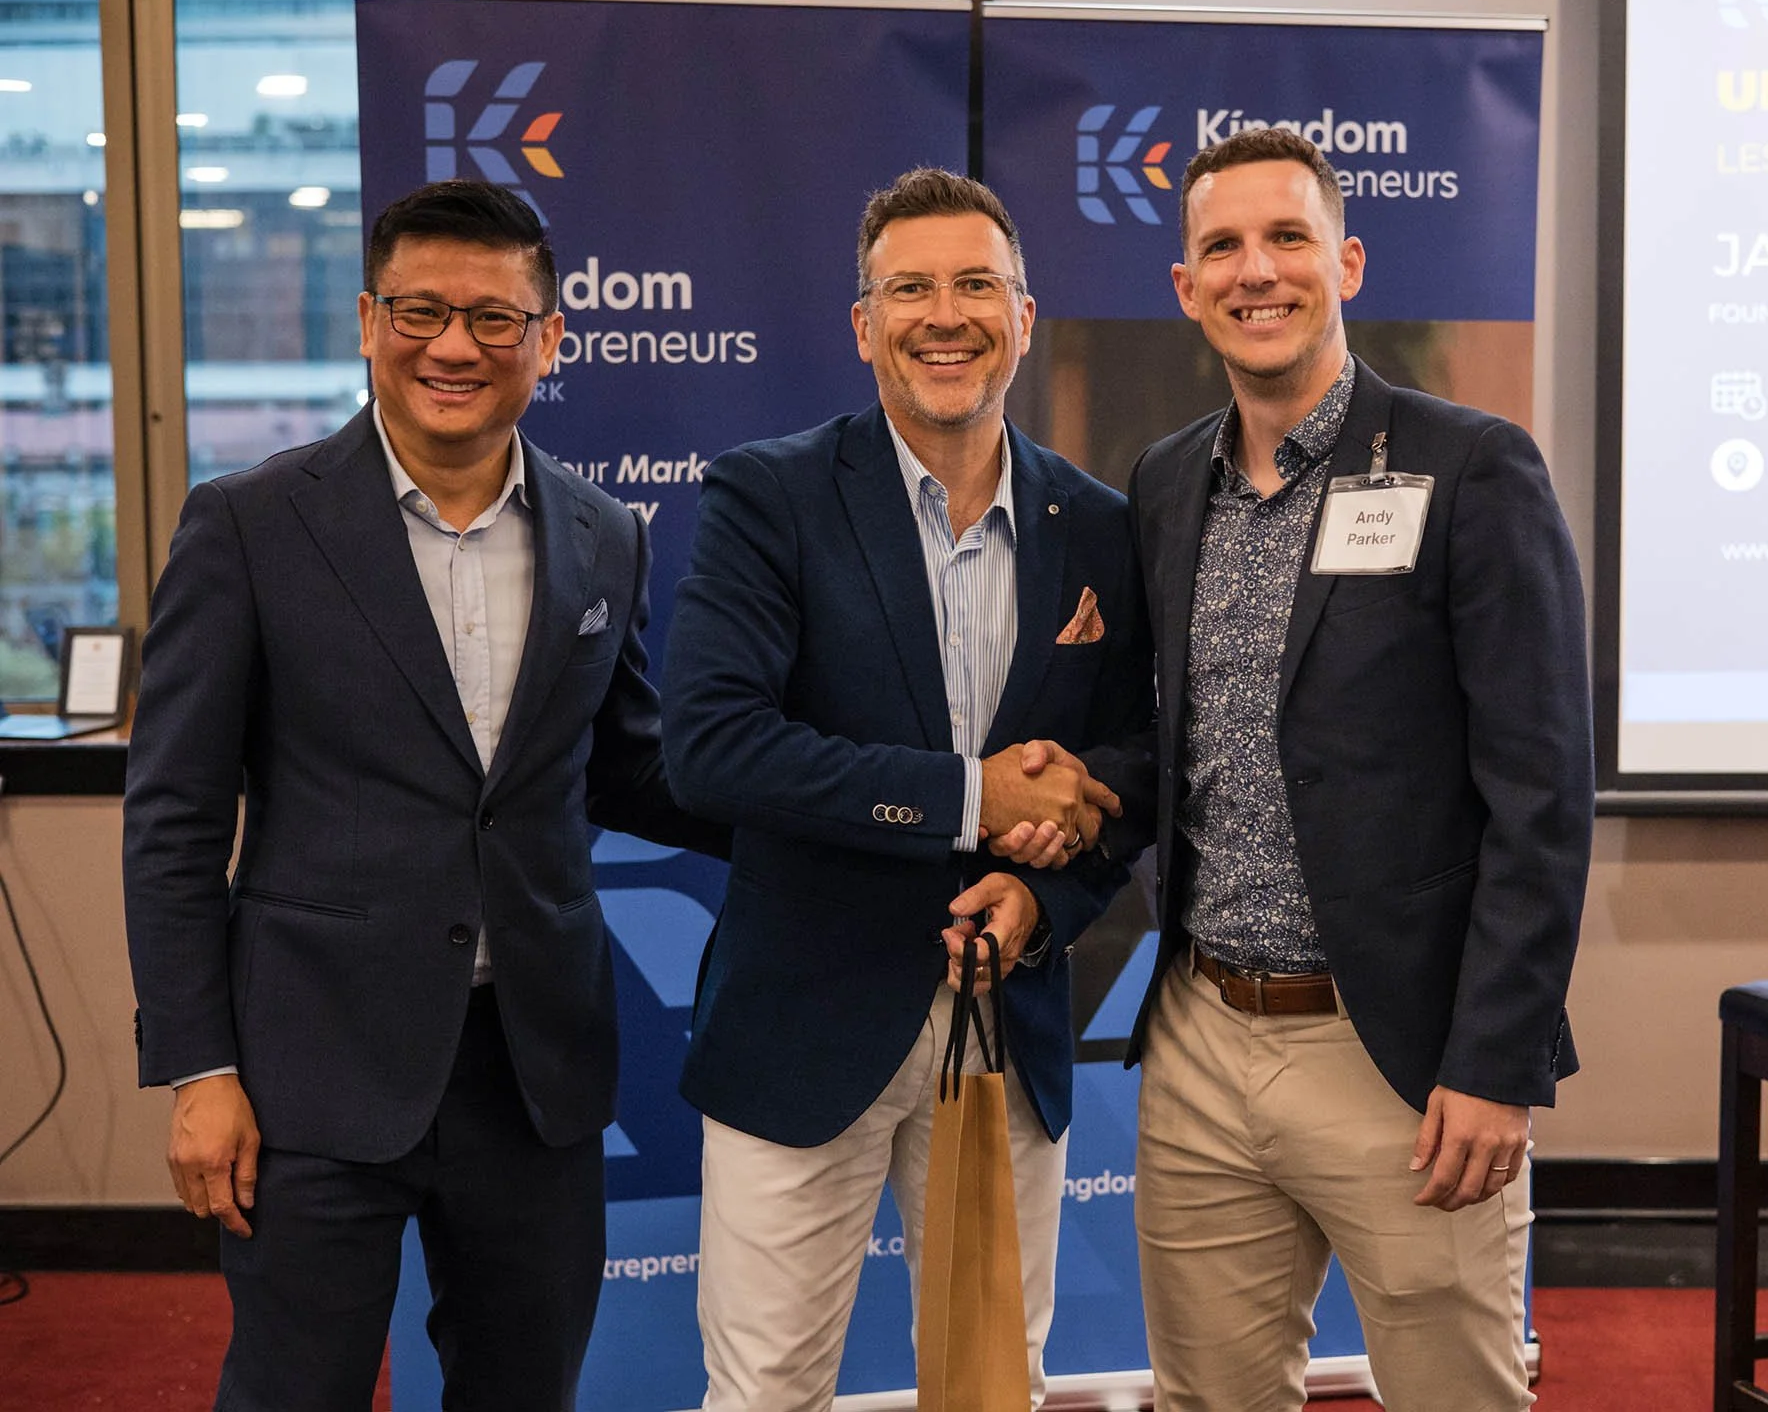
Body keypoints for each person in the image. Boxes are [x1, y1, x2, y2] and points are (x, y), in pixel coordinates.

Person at [122, 179, 727, 1412]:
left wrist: (833, 796)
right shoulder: (246, 525)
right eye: (422, 311)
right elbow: (174, 818)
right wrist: (198, 1069)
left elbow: (630, 767)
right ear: (366, 319)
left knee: (524, 1389)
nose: (455, 345)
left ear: (548, 340)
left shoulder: (606, 532)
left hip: (534, 1074)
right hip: (308, 1074)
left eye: (495, 318)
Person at [1116, 128, 1592, 1410]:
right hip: (1203, 1041)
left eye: (1287, 239)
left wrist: (1496, 1060)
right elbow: (1166, 747)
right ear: (1184, 285)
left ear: (1349, 263)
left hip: (1403, 1050)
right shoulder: (1165, 483)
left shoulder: (1472, 468)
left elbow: (1541, 795)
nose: (1255, 271)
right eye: (1221, 245)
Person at [657, 166, 1146, 1412]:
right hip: (802, 1022)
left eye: (976, 283)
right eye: (910, 288)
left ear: (1024, 316)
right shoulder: (769, 495)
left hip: (1007, 1024)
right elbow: (711, 747)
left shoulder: (1094, 522)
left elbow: (1131, 765)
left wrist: (1052, 903)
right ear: (863, 324)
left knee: (995, 1383)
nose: (947, 314)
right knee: (765, 1387)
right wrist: (965, 799)